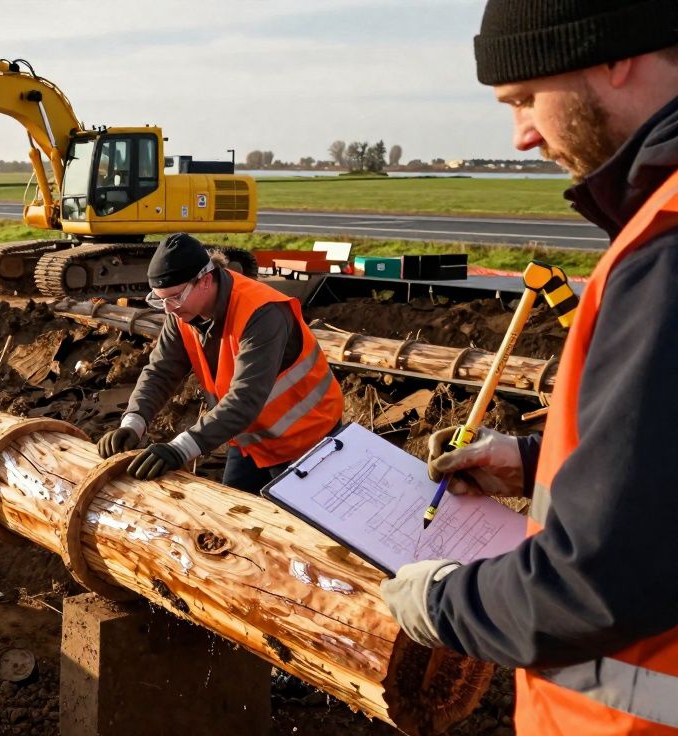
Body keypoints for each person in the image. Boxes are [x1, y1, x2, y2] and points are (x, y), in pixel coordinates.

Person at [380, 2, 678, 733]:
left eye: (522, 99)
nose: (520, 137)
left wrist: (441, 603)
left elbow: (600, 581)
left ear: (612, 56)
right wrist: (532, 460)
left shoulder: (666, 252)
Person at [96, 233, 343, 491]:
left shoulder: (262, 313)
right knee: (232, 520)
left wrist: (180, 449)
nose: (168, 309)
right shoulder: (181, 310)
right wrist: (134, 421)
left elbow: (245, 399)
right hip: (250, 439)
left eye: (174, 297)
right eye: (160, 300)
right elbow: (161, 370)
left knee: (297, 527)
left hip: (306, 440)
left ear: (205, 280)